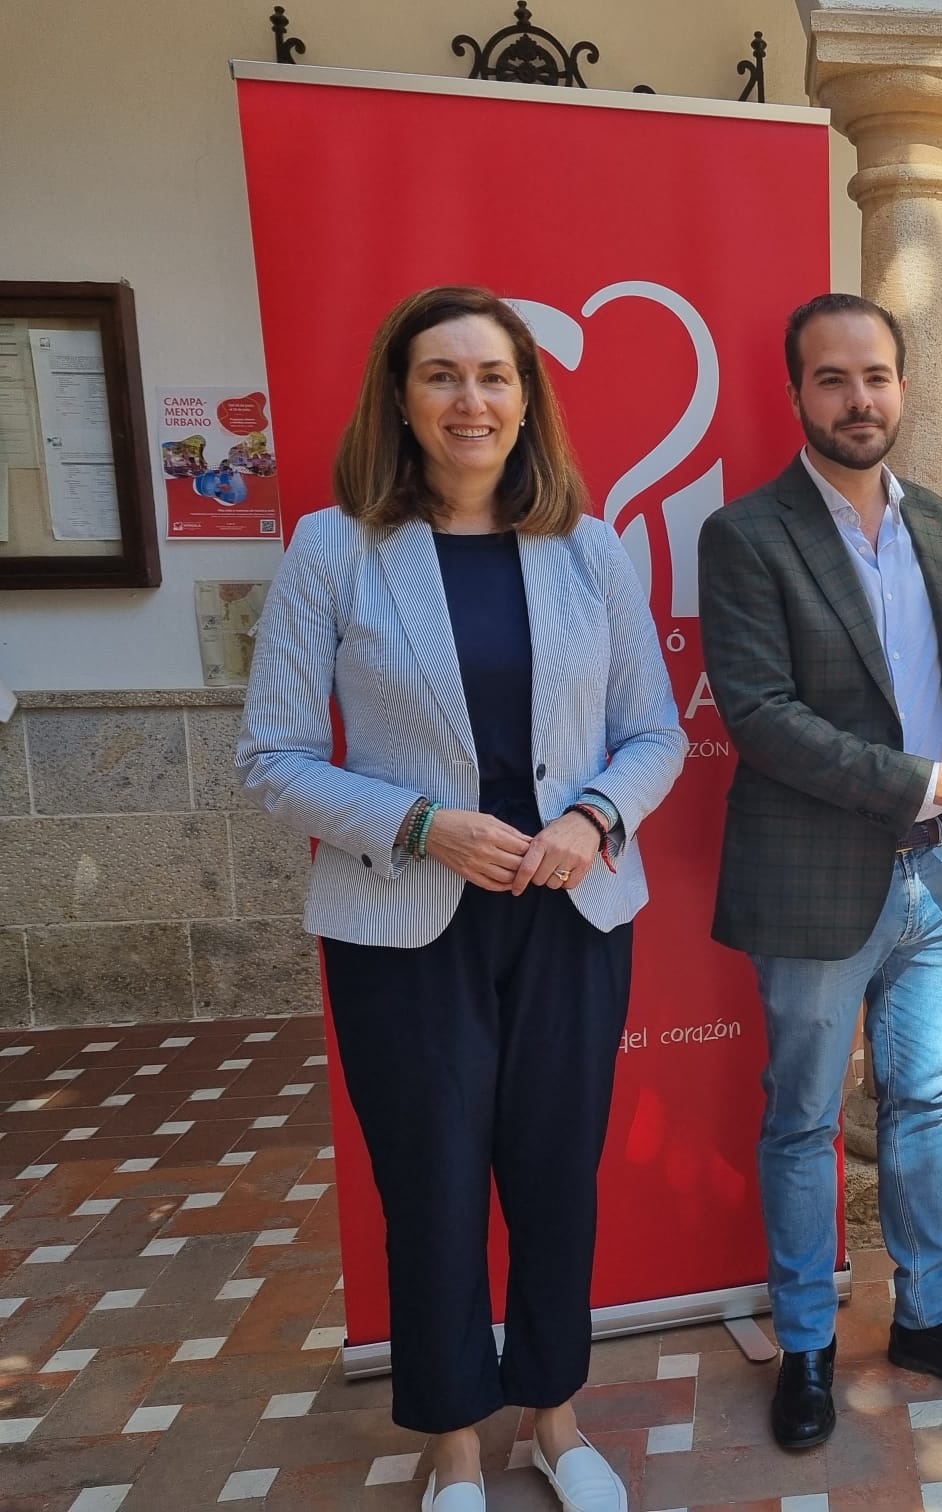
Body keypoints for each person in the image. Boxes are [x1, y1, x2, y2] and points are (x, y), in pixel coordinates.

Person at [238, 286, 686, 1512]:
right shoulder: (334, 549)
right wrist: (424, 824)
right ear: (401, 397)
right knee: (430, 1179)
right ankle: (453, 1444)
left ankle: (555, 1415)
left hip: (569, 912)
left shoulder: (588, 548)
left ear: (528, 397)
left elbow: (653, 734)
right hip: (402, 925)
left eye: (493, 376)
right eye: (441, 375)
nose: (469, 400)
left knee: (555, 1170)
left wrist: (595, 819)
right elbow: (269, 757)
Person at [697, 293, 942, 1451]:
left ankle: (930, 1317)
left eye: (878, 377)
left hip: (939, 876)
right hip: (815, 878)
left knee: (924, 1107)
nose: (859, 399)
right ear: (796, 393)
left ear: (903, 388)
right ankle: (804, 1347)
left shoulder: (935, 522)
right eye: (833, 379)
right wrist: (916, 782)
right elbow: (761, 715)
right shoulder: (746, 535)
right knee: (800, 1118)